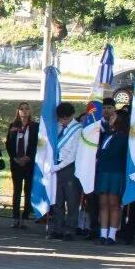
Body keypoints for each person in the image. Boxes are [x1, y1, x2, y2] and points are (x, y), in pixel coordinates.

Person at [93, 109, 129, 245]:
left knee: (114, 204)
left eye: (113, 116)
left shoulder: (123, 136)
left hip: (115, 173)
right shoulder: (107, 133)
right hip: (104, 171)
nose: (110, 118)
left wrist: (99, 154)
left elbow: (111, 153)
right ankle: (103, 234)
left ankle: (112, 235)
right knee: (103, 203)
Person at [49, 102, 82, 240]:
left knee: (72, 200)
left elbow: (73, 153)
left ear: (71, 116)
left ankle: (70, 229)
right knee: (57, 199)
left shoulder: (78, 129)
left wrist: (59, 166)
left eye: (65, 118)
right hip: (55, 166)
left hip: (70, 167)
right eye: (61, 118)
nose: (63, 121)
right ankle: (58, 228)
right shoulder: (57, 127)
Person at [5, 102, 39, 229]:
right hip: (16, 163)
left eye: (27, 109)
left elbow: (36, 144)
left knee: (28, 190)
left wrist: (28, 157)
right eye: (22, 109)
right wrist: (15, 158)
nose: (24, 111)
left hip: (29, 163)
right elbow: (8, 144)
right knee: (17, 190)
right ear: (18, 111)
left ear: (30, 111)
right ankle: (15, 217)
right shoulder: (13, 126)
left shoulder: (35, 126)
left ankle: (25, 217)